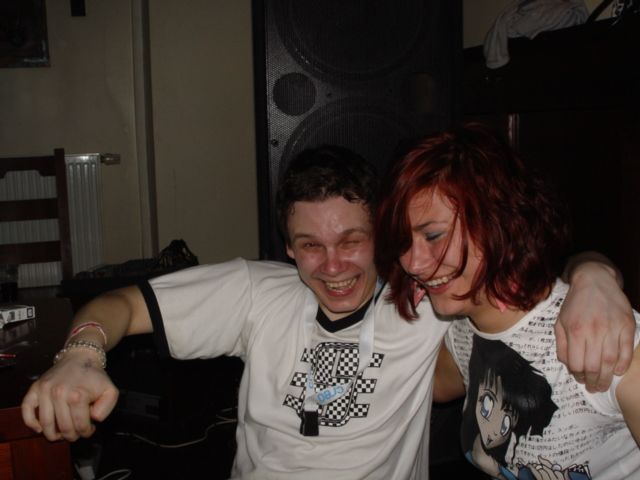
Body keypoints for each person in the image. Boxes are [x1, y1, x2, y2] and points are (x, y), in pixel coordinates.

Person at [22, 145, 633, 480]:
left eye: (352, 240)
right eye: (310, 245)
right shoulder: (256, 290)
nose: (333, 265)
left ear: (380, 237)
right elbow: (122, 303)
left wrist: (596, 276)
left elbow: (523, 286)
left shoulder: (430, 302)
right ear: (288, 247)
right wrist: (81, 354)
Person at [375, 123, 640, 479]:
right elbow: (429, 384)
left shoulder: (608, 340)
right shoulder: (462, 331)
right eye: (403, 242)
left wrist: (595, 273)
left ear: (496, 220)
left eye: (433, 235)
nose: (413, 263)